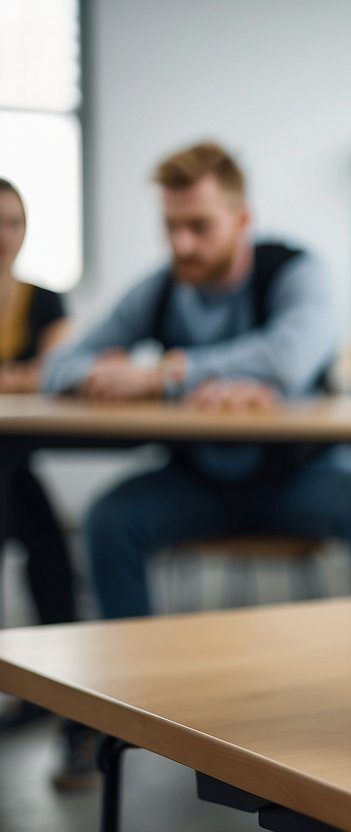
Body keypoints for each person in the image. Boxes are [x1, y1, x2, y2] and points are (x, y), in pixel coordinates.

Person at [41, 141, 351, 621]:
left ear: (242, 221)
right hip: (199, 483)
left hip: (303, 477)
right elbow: (57, 365)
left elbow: (287, 359)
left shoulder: (296, 273)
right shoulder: (160, 290)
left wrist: (164, 375)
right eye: (171, 227)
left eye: (199, 227)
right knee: (109, 521)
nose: (181, 244)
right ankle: (125, 688)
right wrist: (96, 374)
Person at [0, 177, 98, 789]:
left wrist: (30, 374)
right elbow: (35, 374)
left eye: (12, 221)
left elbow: (55, 373)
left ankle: (69, 716)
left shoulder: (45, 301)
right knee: (48, 550)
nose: (3, 235)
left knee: (52, 555)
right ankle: (70, 721)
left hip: (11, 460)